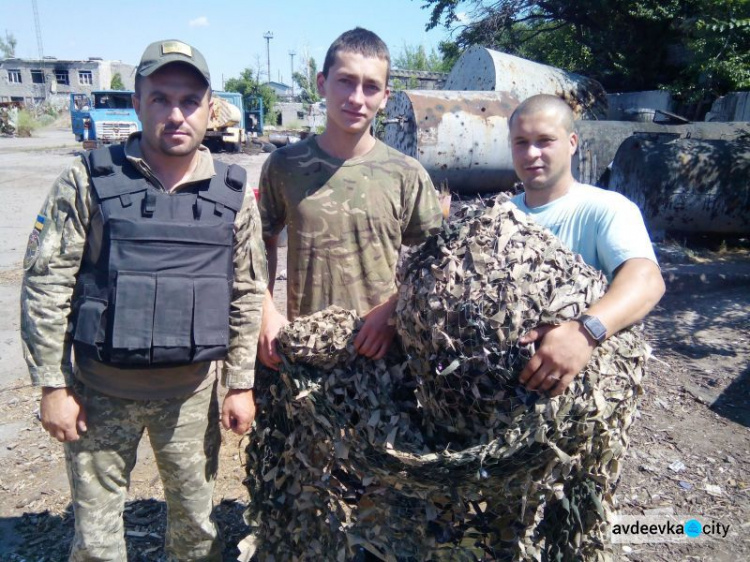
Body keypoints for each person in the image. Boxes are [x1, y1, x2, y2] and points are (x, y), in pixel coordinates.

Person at [20, 39, 267, 561]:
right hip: (100, 393)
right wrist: (51, 384)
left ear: (210, 108)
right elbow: (47, 282)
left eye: (190, 100)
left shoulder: (232, 193)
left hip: (192, 396)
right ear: (137, 102)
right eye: (160, 98)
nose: (176, 114)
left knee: (198, 531)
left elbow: (247, 292)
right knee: (97, 541)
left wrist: (240, 384)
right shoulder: (88, 179)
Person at [257, 27, 443, 368]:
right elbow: (260, 245)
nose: (357, 98)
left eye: (370, 86)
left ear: (385, 97)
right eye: (345, 80)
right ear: (321, 84)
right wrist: (267, 312)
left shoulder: (406, 173)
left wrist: (393, 310)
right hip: (306, 356)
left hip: (381, 359)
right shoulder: (284, 166)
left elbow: (438, 261)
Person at [508, 93, 665, 395]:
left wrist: (584, 333)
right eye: (521, 142)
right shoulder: (500, 215)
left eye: (545, 140)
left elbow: (646, 279)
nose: (531, 153)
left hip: (571, 400)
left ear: (571, 143)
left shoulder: (605, 208)